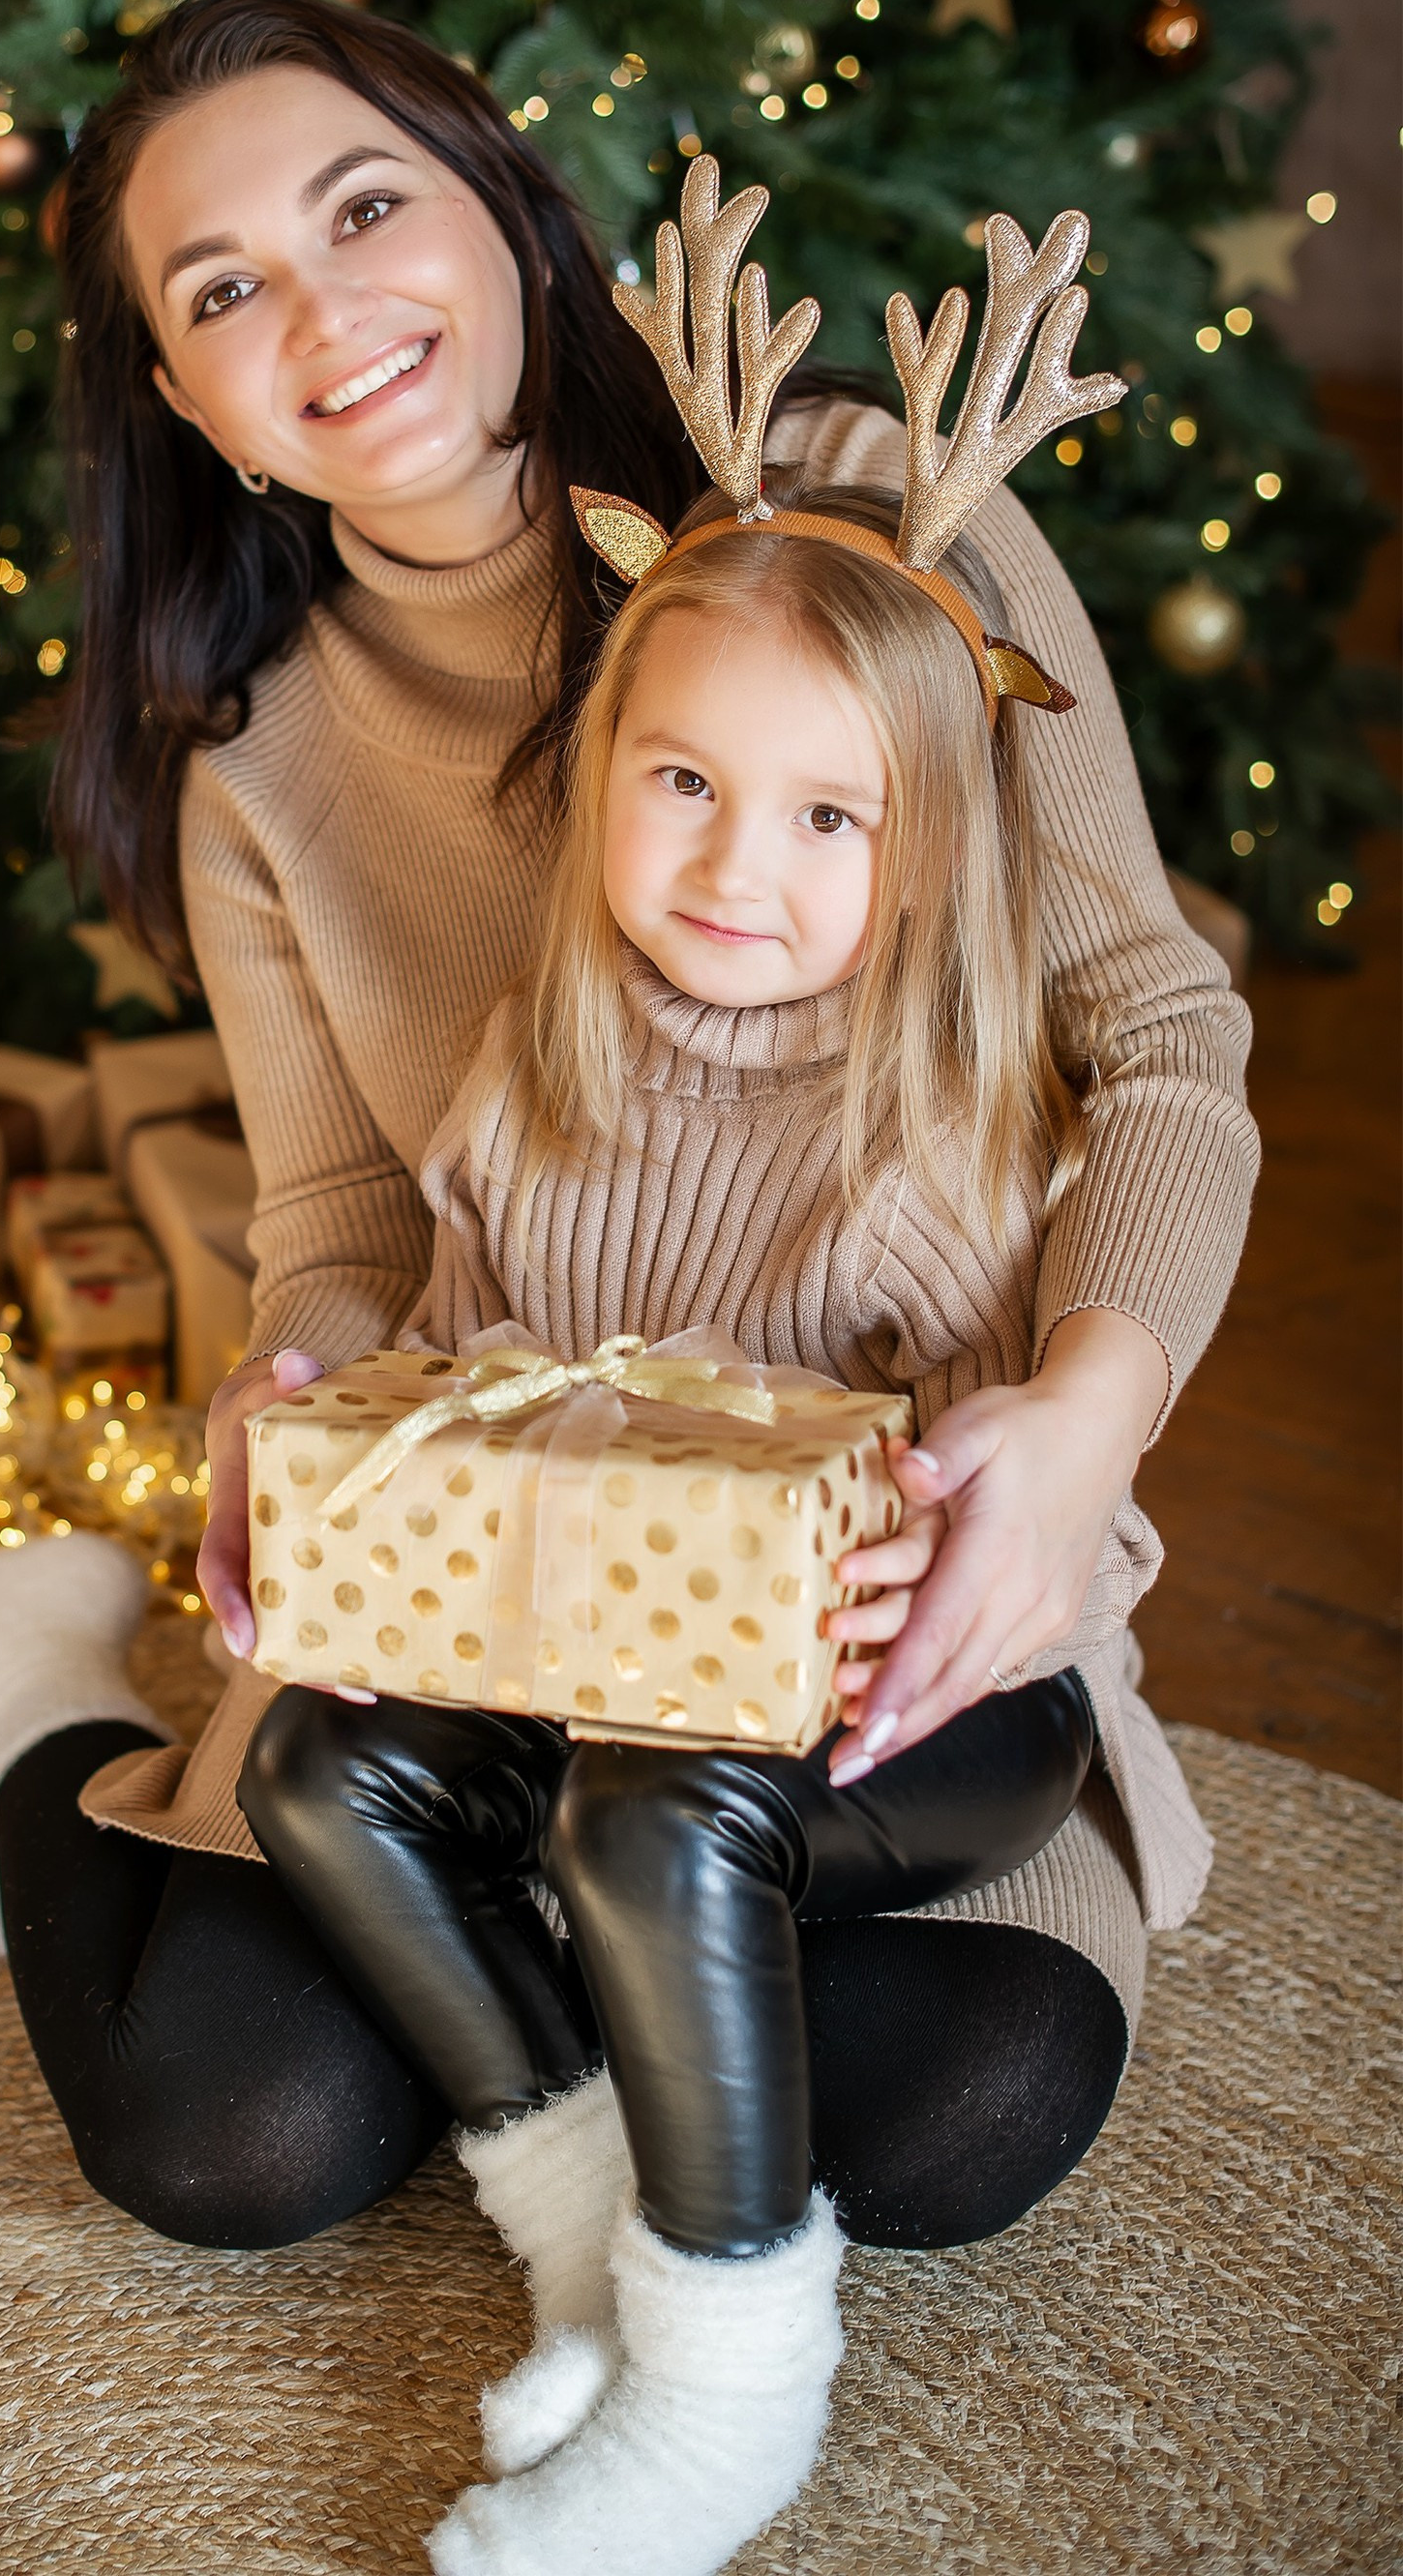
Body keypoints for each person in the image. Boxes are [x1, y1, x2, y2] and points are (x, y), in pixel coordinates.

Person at [0, 0, 1256, 2279]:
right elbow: (337, 1222)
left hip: (841, 1624)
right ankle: (34, 1698)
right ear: (191, 407)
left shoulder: (879, 523)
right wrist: (287, 1386)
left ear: (503, 205)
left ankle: (529, 1963)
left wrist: (1090, 1418)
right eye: (222, 292)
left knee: (941, 2123)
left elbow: (1156, 1039)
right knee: (227, 2144)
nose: (321, 309)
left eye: (364, 204)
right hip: (472, 1616)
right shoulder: (260, 765)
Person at [229, 168, 1223, 2576]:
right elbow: (456, 1357)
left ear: (919, 853)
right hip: (592, 1655)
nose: (732, 866)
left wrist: (957, 1521)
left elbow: (955, 1527)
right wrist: (345, 1447)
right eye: (679, 783)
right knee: (317, 1774)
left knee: (655, 1825)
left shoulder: (919, 1146)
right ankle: (600, 2242)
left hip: (910, 1697)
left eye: (820, 818)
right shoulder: (531, 1074)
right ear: (598, 777)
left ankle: (729, 2388)